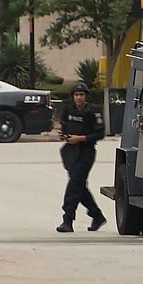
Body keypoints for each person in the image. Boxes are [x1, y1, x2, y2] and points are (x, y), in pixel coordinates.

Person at [56, 82, 107, 233]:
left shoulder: (93, 111)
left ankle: (68, 219)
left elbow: (100, 134)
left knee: (74, 185)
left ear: (86, 96)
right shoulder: (69, 109)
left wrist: (80, 138)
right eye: (76, 95)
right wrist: (63, 134)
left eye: (81, 95)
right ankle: (97, 215)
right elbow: (63, 124)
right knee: (79, 186)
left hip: (86, 152)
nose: (79, 98)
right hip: (71, 151)